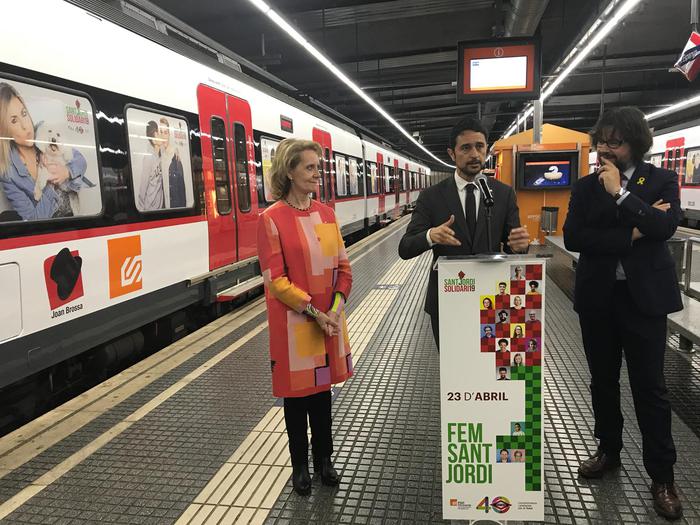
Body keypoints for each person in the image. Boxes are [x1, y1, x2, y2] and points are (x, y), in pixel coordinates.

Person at [563, 106, 683, 520]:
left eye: (615, 142)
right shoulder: (584, 186)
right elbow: (574, 237)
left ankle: (662, 477)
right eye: (601, 141)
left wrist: (621, 194)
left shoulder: (662, 179)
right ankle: (608, 450)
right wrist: (632, 231)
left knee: (650, 388)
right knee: (603, 381)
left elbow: (665, 228)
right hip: (598, 298)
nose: (605, 149)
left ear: (636, 143)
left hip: (644, 300)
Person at [257, 138, 352, 496]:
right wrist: (315, 312)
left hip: (327, 322)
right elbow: (275, 281)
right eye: (310, 167)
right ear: (289, 171)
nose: (317, 174)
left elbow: (344, 269)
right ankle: (299, 466)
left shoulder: (326, 214)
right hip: (294, 326)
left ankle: (324, 460)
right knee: (296, 401)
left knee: (322, 397)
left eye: (318, 167)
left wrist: (334, 312)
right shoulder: (271, 219)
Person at [398, 117, 529, 347]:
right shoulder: (432, 197)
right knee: (452, 367)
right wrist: (430, 236)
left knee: (489, 364)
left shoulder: (503, 194)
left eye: (480, 146)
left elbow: (512, 245)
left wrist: (519, 246)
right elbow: (405, 248)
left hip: (492, 299)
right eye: (466, 148)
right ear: (452, 153)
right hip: (447, 301)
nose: (475, 154)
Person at [0, 82, 90, 220]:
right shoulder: (8, 174)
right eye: (14, 121)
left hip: (75, 218)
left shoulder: (43, 131)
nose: (25, 126)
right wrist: (49, 181)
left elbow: (80, 160)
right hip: (50, 228)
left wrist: (66, 171)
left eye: (24, 113)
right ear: (4, 130)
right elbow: (33, 219)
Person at [137, 120, 165, 211]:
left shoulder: (160, 157)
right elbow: (143, 187)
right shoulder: (148, 158)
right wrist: (143, 211)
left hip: (160, 208)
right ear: (154, 136)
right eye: (159, 133)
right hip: (150, 209)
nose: (161, 136)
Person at [159, 117, 186, 208]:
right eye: (161, 132)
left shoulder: (176, 157)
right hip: (165, 208)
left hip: (175, 207)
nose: (163, 136)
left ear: (169, 134)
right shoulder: (160, 156)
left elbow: (181, 190)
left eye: (165, 132)